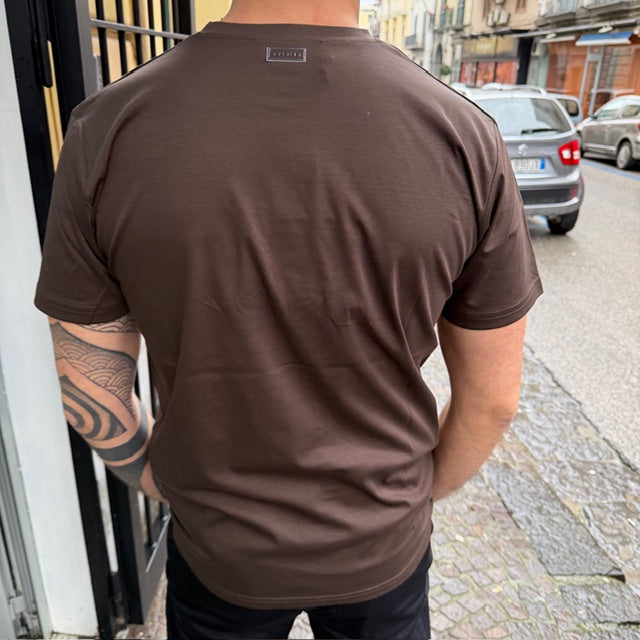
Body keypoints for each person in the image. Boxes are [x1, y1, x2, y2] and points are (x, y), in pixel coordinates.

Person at [35, 0, 542, 638]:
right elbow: (493, 402)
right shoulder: (463, 135)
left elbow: (88, 387)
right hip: (382, 544)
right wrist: (407, 498)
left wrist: (158, 479)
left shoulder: (108, 127)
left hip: (219, 545)